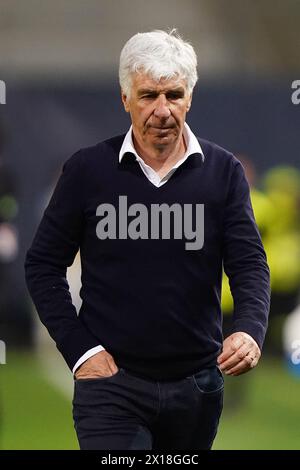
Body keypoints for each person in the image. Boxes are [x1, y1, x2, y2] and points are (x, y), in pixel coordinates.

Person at [24, 29, 270, 450]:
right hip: (112, 387)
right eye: (148, 95)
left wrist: (249, 330)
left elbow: (248, 264)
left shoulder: (224, 172)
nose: (162, 110)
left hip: (197, 386)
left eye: (173, 95)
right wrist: (80, 349)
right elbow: (43, 264)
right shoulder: (87, 171)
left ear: (190, 98)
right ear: (125, 99)